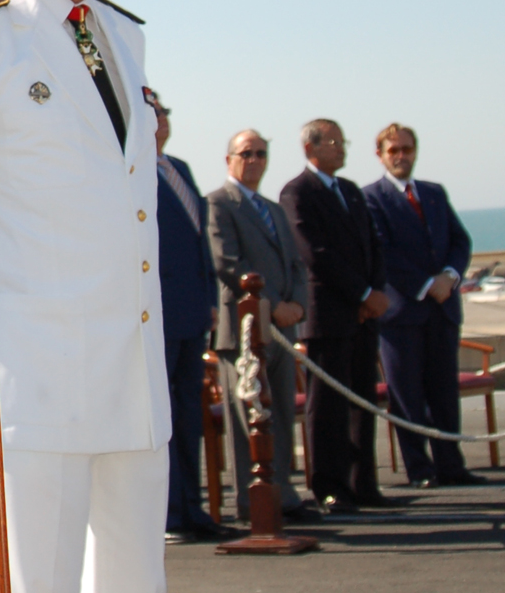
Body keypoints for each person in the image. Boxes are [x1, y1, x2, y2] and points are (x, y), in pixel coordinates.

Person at [0, 0, 170, 593]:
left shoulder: (124, 35)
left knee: (134, 581)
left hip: (133, 377)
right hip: (38, 379)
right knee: (37, 582)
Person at [205, 129, 319, 523]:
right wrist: (270, 307)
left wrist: (296, 307)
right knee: (246, 420)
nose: (254, 160)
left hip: (281, 332)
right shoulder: (218, 204)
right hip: (243, 333)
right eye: (246, 153)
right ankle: (252, 503)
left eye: (261, 154)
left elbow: (296, 266)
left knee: (282, 415)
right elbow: (227, 264)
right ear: (229, 159)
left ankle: (284, 495)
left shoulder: (273, 209)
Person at [362, 124, 484, 487]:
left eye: (407, 149)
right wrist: (426, 284)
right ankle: (420, 468)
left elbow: (460, 240)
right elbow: (384, 251)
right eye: (393, 150)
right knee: (407, 395)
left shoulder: (433, 193)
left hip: (443, 310)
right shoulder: (373, 198)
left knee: (444, 392)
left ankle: (451, 465)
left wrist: (449, 275)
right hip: (403, 314)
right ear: (380, 154)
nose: (401, 156)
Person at [279, 119, 389, 514]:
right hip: (327, 315)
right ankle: (329, 485)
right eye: (332, 142)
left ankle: (363, 483)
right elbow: (314, 253)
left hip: (362, 314)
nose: (341, 149)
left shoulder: (349, 191)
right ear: (310, 148)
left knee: (362, 399)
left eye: (343, 142)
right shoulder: (297, 192)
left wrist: (374, 292)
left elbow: (370, 244)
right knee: (326, 407)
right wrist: (360, 293)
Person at [146, 88, 226, 543]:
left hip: (194, 313)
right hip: (160, 315)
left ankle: (195, 507)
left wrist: (209, 299)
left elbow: (200, 243)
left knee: (190, 416)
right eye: (152, 112)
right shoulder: (132, 171)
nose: (162, 119)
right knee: (168, 418)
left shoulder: (180, 170)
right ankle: (172, 514)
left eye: (164, 111)